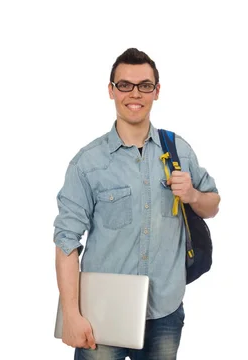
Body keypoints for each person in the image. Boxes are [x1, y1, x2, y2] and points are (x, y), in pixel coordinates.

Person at [53, 48, 220, 360]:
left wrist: (194, 196)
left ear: (156, 92)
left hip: (164, 313)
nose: (135, 94)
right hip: (100, 315)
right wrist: (72, 315)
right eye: (124, 85)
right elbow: (66, 242)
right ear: (111, 91)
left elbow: (212, 205)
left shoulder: (178, 150)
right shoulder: (87, 163)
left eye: (144, 85)